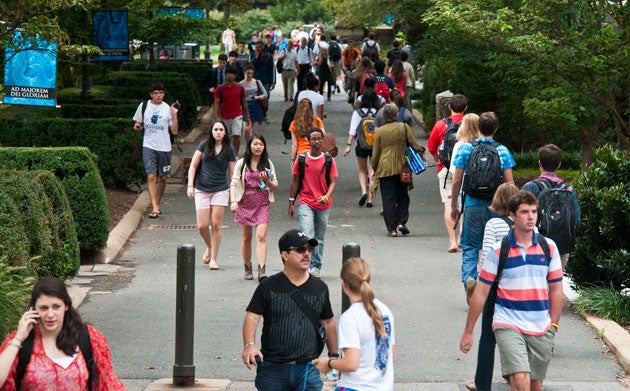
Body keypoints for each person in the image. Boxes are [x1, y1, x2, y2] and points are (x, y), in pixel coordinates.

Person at [460, 190, 563, 391]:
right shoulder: (499, 250)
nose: (531, 216)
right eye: (525, 212)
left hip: (540, 325)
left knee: (535, 384)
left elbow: (557, 290)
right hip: (508, 322)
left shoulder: (548, 247)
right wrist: (468, 331)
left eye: (534, 211)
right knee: (520, 379)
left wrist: (554, 326)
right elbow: (480, 293)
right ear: (513, 215)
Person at [241, 228, 339, 391]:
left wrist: (334, 356)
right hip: (273, 367)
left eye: (309, 249)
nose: (307, 253)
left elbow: (328, 322)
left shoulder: (320, 287)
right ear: (284, 255)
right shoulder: (268, 286)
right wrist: (249, 345)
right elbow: (252, 317)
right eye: (300, 249)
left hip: (308, 367)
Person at [0, 276, 125, 389]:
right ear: (33, 310)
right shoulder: (21, 343)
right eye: (44, 308)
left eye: (56, 307)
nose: (50, 314)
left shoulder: (89, 337)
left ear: (66, 306)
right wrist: (18, 339)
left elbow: (109, 383)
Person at [450, 112, 516, 303]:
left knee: (470, 246)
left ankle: (470, 279)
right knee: (497, 246)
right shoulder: (502, 150)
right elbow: (510, 182)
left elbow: (456, 180)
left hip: (472, 205)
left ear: (478, 127)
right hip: (498, 207)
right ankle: (493, 289)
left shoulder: (466, 149)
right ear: (495, 128)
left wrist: (455, 205)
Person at [464, 182, 519, 391]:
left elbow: (487, 255)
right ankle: (513, 374)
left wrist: (481, 280)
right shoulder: (526, 225)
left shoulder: (494, 225)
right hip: (518, 286)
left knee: (488, 336)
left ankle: (482, 382)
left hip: (496, 286)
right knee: (516, 332)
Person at [313, 257, 396, 391]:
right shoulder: (385, 311)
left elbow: (351, 363)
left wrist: (329, 363)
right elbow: (390, 355)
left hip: (357, 386)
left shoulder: (350, 317)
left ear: (343, 283)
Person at [521, 144, 581, 270]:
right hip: (561, 247)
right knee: (555, 286)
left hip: (535, 246)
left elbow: (518, 218)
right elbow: (576, 220)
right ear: (559, 165)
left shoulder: (530, 187)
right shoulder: (569, 190)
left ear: (539, 163)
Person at [371, 103, 427, 237]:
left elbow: (376, 153)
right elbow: (413, 144)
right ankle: (402, 221)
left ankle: (392, 229)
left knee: (388, 198)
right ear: (396, 115)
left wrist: (374, 167)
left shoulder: (380, 132)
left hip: (385, 168)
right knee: (403, 195)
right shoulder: (404, 127)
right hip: (403, 167)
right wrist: (422, 154)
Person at [187, 120, 236, 270]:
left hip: (220, 189)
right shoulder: (204, 145)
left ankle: (214, 259)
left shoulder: (229, 149)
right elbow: (193, 165)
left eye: (221, 129)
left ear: (225, 132)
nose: (218, 132)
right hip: (201, 188)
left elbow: (233, 173)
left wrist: (235, 195)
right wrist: (190, 185)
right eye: (216, 129)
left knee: (216, 225)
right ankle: (209, 246)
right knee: (202, 226)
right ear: (211, 131)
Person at [288, 127, 338, 277]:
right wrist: (291, 202)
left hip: (323, 204)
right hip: (305, 201)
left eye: (319, 138)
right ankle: (306, 264)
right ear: (308, 141)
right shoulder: (302, 159)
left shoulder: (329, 160)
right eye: (313, 139)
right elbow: (295, 182)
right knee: (307, 234)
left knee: (319, 238)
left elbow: (333, 182)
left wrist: (327, 196)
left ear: (322, 140)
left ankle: (316, 266)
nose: (316, 141)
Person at [230, 134, 278, 282]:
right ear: (250, 145)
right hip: (245, 201)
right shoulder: (242, 163)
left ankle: (262, 269)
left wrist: (266, 181)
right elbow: (234, 183)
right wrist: (233, 201)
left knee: (261, 236)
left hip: (262, 202)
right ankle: (247, 266)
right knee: (246, 237)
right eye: (255, 144)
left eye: (261, 144)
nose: (258, 147)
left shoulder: (268, 163)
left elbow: (275, 185)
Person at [132, 82, 179, 219]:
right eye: (156, 93)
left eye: (161, 93)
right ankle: (155, 207)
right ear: (151, 94)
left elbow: (174, 131)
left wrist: (175, 114)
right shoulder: (144, 106)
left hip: (164, 147)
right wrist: (137, 125)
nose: (158, 95)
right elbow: (138, 122)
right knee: (151, 176)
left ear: (164, 94)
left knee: (163, 178)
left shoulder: (167, 109)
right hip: (149, 145)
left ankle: (156, 203)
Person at [427, 94, 467, 252]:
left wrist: (440, 160)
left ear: (449, 107)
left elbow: (431, 147)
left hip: (445, 169)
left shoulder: (441, 125)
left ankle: (452, 241)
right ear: (465, 108)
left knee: (448, 204)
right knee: (463, 204)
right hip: (464, 169)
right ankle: (462, 237)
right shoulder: (469, 125)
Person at [345, 89, 381, 208]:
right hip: (375, 145)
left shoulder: (357, 113)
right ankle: (370, 198)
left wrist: (348, 145)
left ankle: (364, 192)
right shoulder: (379, 113)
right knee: (373, 170)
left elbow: (352, 130)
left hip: (361, 145)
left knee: (362, 170)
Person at [210, 65, 250, 157]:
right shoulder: (220, 88)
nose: (229, 76)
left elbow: (244, 102)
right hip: (224, 116)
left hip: (237, 115)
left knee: (236, 135)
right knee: (225, 137)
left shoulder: (240, 88)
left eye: (232, 74)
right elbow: (216, 102)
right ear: (225, 75)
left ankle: (234, 156)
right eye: (228, 74)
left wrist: (247, 115)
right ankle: (225, 154)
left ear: (235, 76)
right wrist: (215, 115)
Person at [290, 98, 325, 163]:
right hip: (316, 152)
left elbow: (294, 144)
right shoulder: (317, 121)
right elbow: (323, 137)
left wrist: (293, 159)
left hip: (301, 153)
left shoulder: (294, 124)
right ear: (311, 109)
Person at [240, 64, 268, 145]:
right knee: (246, 129)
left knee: (254, 131)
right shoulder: (240, 84)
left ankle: (252, 146)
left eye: (251, 73)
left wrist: (258, 97)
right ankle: (247, 145)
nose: (249, 75)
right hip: (245, 106)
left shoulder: (257, 82)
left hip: (255, 105)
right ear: (244, 73)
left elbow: (265, 94)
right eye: (248, 73)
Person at [251, 41, 275, 124]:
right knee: (256, 99)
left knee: (265, 98)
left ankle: (263, 114)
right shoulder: (253, 56)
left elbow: (272, 69)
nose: (259, 49)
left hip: (266, 81)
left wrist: (273, 81)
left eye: (261, 47)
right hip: (256, 80)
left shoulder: (268, 56)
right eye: (257, 47)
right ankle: (261, 116)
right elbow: (251, 67)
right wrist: (256, 58)